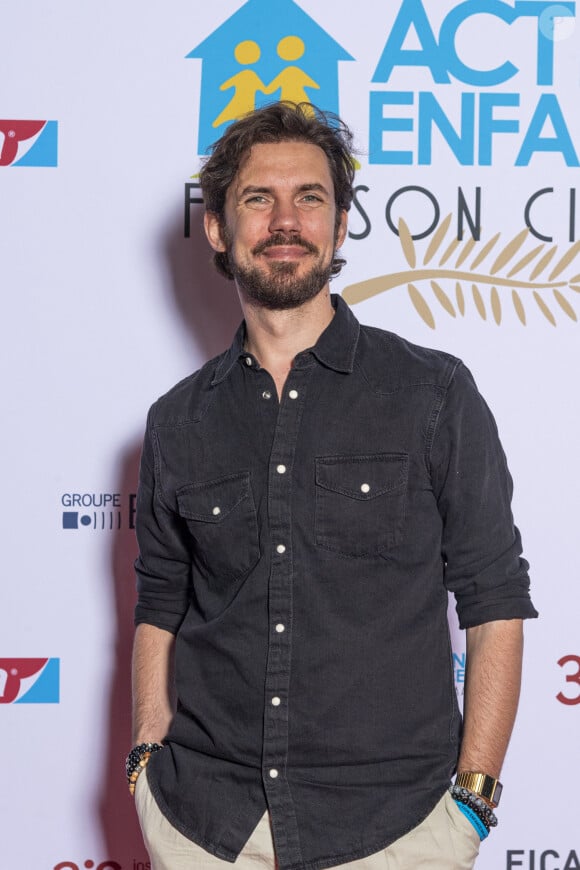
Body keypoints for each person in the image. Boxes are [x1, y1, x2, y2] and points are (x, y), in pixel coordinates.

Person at [129, 102, 537, 870]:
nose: (286, 220)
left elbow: (495, 602)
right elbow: (161, 603)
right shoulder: (177, 421)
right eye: (258, 198)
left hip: (395, 830)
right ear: (216, 227)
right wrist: (144, 765)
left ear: (340, 224)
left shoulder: (434, 393)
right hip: (205, 826)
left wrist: (473, 799)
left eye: (310, 198)